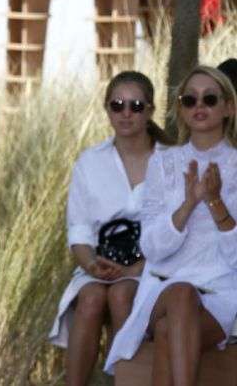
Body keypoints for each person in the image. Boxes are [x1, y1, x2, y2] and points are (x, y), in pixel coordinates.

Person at [104, 65, 237, 385]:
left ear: (229, 107)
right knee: (181, 294)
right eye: (190, 99)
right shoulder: (162, 163)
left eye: (209, 99)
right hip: (163, 288)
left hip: (221, 292)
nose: (199, 106)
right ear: (181, 110)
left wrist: (215, 202)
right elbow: (151, 247)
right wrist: (188, 205)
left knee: (168, 330)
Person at [49, 71, 170, 385]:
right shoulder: (89, 162)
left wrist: (136, 269)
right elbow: (79, 232)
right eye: (117, 105)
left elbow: (176, 230)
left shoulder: (172, 161)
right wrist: (92, 264)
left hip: (155, 265)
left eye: (136, 106)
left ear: (150, 110)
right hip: (99, 265)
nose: (126, 113)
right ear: (107, 109)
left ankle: (127, 381)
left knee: (121, 295)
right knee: (91, 298)